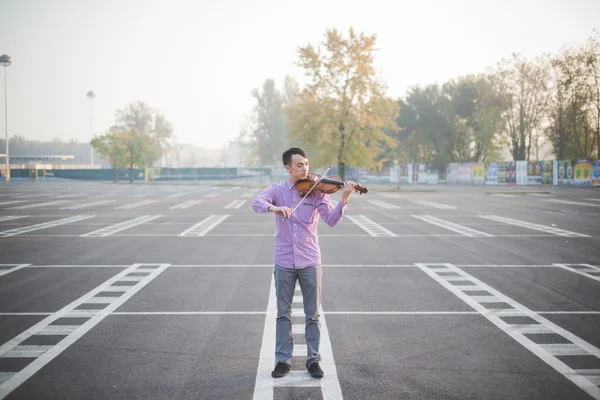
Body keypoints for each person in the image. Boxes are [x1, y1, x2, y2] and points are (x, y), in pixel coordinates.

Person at [252, 147, 356, 379]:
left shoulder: (318, 192)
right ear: (288, 168)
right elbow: (256, 202)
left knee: (313, 315)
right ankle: (282, 360)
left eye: (307, 164)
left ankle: (313, 360)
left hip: (310, 260)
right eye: (299, 165)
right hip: (284, 260)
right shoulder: (278, 191)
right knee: (283, 314)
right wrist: (275, 207)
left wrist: (345, 198)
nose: (305, 169)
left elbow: (330, 220)